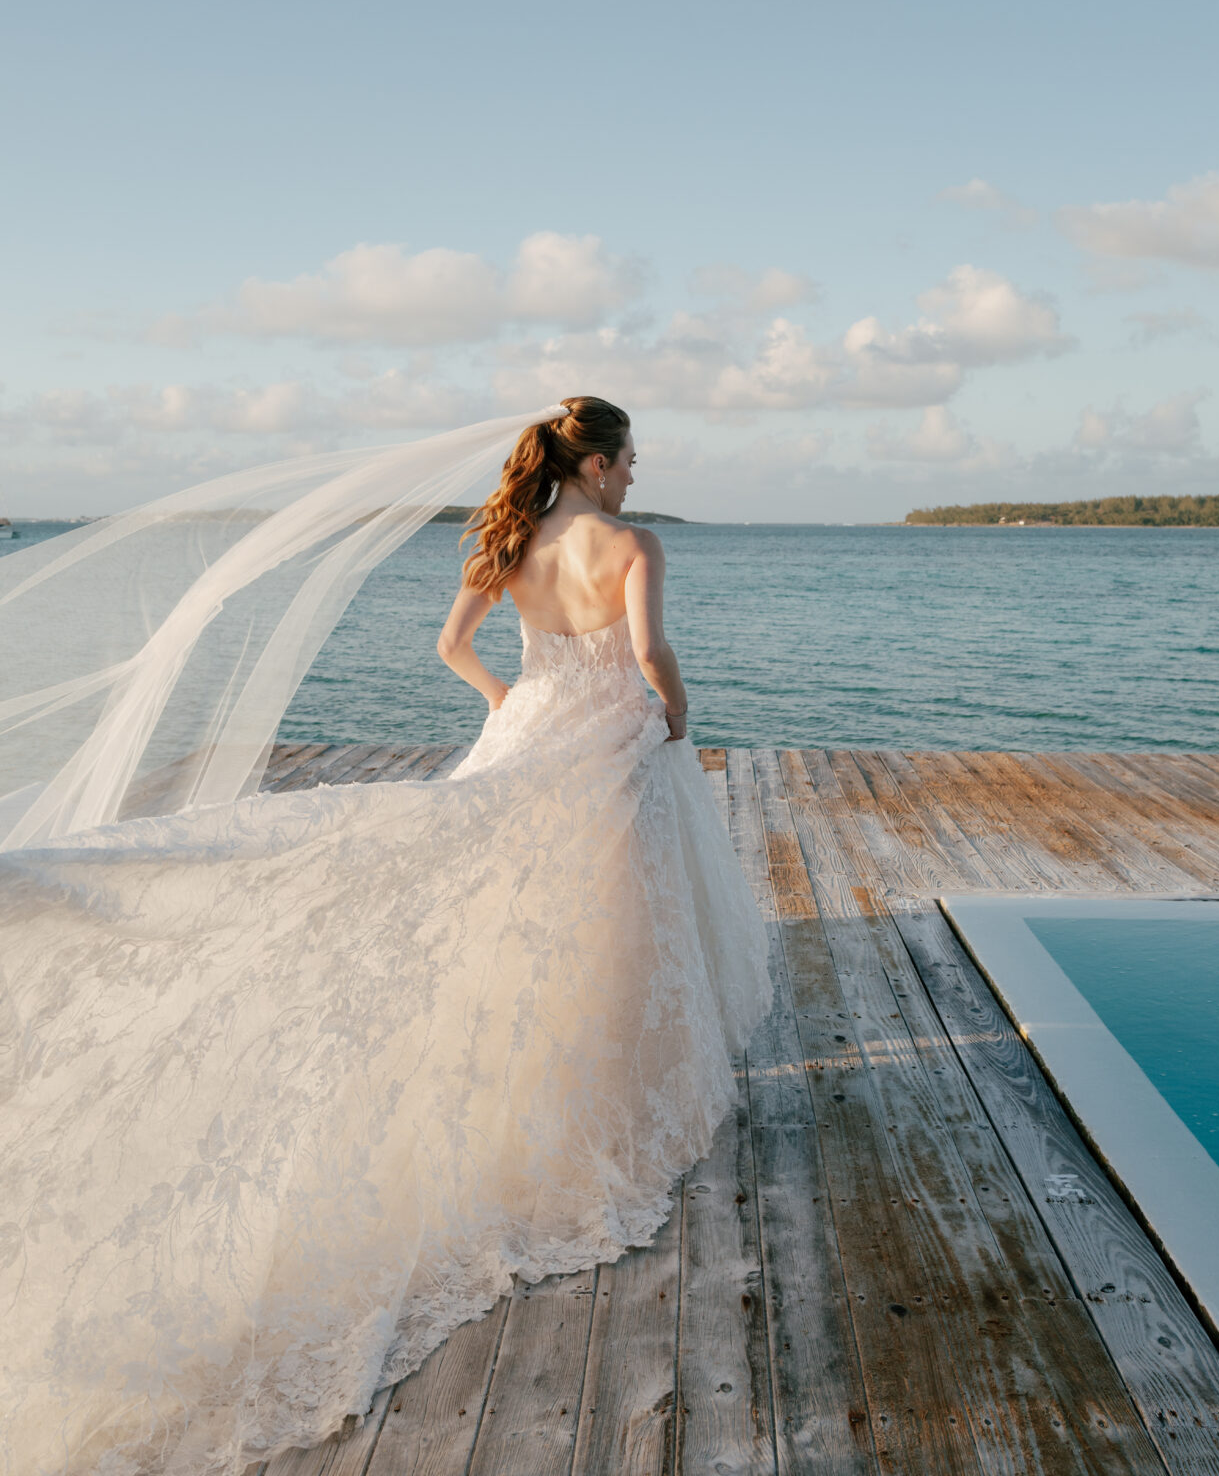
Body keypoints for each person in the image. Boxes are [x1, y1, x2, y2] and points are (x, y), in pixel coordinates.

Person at [0, 397, 771, 1476]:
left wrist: (511, 704)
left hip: (531, 732)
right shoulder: (630, 544)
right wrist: (677, 718)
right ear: (595, 464)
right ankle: (611, 1075)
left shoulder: (508, 542)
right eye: (632, 459)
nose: (638, 476)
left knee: (520, 902)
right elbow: (650, 651)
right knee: (615, 906)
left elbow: (450, 645)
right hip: (613, 746)